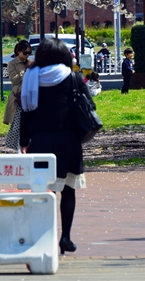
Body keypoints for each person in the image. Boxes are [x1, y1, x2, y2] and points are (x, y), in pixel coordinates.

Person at [19, 38, 94, 256]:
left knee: (43, 190)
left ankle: (44, 236)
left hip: (41, 140)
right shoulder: (73, 78)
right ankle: (65, 237)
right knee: (68, 190)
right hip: (69, 140)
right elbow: (89, 105)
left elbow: (25, 112)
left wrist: (24, 141)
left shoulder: (31, 78)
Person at [3, 39, 32, 151]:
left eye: (29, 53)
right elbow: (14, 80)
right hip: (18, 97)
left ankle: (27, 146)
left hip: (30, 96)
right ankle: (16, 146)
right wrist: (24, 71)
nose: (27, 55)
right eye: (25, 53)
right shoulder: (12, 64)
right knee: (17, 124)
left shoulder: (29, 62)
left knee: (29, 124)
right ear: (18, 51)